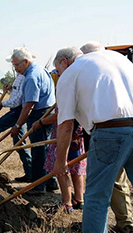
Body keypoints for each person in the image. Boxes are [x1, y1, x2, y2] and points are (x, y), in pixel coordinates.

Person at [53, 47, 133, 233]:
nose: (58, 74)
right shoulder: (118, 59)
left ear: (64, 61)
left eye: (58, 70)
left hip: (110, 133)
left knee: (97, 198)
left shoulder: (71, 72)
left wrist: (61, 162)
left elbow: (65, 125)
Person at [80, 41, 133, 233]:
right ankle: (125, 222)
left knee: (98, 195)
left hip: (109, 135)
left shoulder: (86, 68)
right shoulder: (122, 64)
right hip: (112, 133)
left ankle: (125, 223)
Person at [9, 47, 57, 193]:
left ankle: (38, 185)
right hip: (45, 112)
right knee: (46, 149)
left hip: (39, 114)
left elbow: (29, 105)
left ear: (26, 61)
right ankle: (50, 181)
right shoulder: (39, 70)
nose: (15, 68)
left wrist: (18, 125)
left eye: (17, 65)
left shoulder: (31, 77)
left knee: (38, 150)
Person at [32, 107, 87, 213]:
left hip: (65, 135)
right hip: (77, 133)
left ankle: (67, 204)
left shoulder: (66, 91)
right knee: (76, 166)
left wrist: (41, 122)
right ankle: (79, 200)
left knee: (61, 167)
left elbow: (61, 116)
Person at [0, 71, 32, 177]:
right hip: (18, 109)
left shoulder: (26, 76)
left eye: (16, 64)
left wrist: (2, 104)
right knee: (19, 141)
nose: (15, 67)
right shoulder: (19, 75)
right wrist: (11, 89)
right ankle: (30, 172)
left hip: (19, 110)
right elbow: (17, 94)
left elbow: (18, 100)